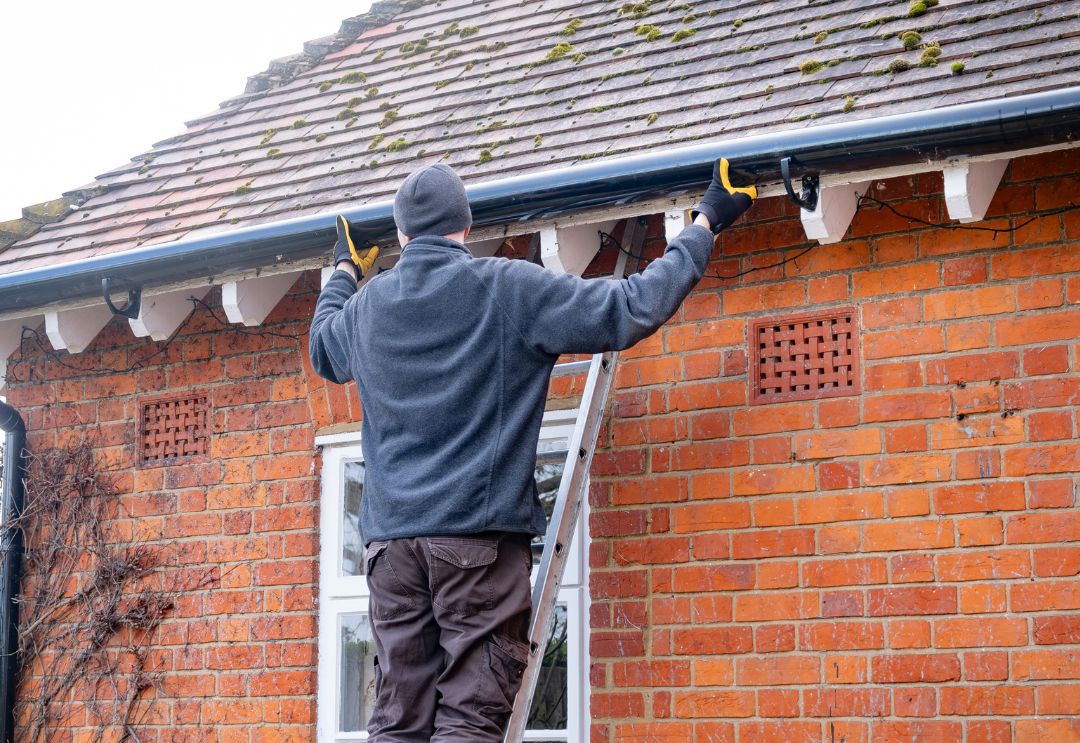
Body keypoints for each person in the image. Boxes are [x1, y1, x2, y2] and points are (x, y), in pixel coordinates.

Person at [309, 159, 754, 742]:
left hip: (390, 552)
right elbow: (629, 307)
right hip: (475, 542)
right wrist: (706, 221)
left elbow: (322, 345)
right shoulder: (507, 287)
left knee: (398, 722)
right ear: (464, 228)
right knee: (469, 720)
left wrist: (344, 267)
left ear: (399, 237)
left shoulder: (366, 311)